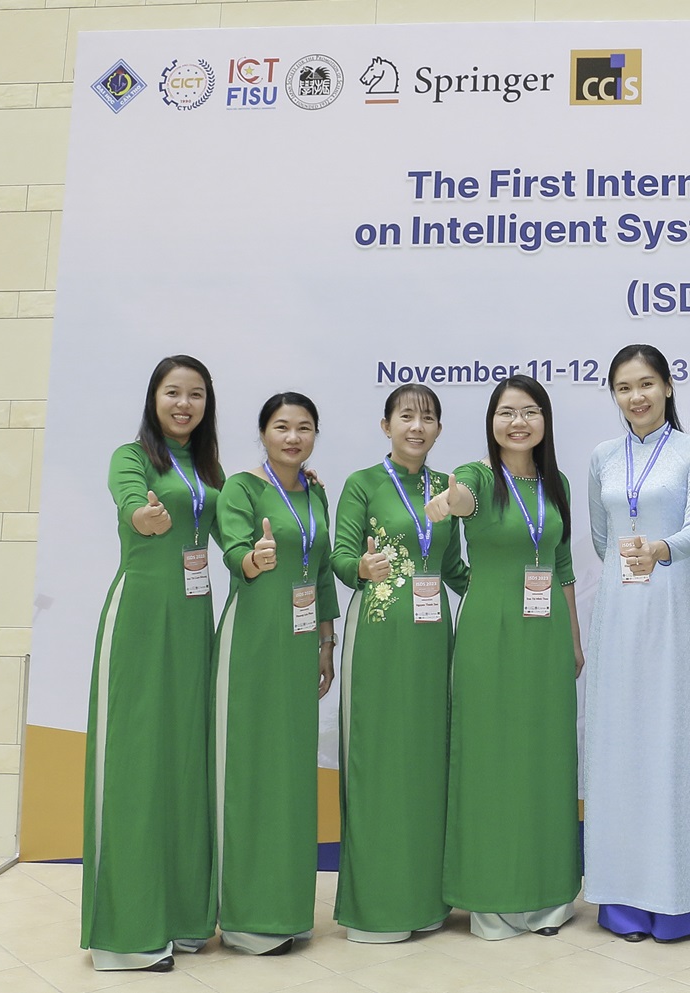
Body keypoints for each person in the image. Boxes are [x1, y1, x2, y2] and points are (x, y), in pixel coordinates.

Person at [425, 375, 585, 939]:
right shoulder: (475, 475)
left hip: (547, 634)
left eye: (530, 411)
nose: (519, 422)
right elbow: (461, 501)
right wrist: (451, 503)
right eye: (507, 412)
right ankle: (492, 899)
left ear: (545, 420)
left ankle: (547, 897)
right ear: (491, 422)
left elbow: (562, 566)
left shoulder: (557, 483)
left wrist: (574, 638)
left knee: (544, 757)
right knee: (490, 757)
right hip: (489, 631)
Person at [81, 356, 222, 972]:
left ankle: (185, 918)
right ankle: (128, 934)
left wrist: (295, 484)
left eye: (196, 394)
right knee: (137, 765)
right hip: (140, 618)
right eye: (173, 392)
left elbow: (237, 523)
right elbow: (129, 500)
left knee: (186, 766)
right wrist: (141, 515)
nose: (184, 404)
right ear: (154, 398)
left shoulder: (209, 469)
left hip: (193, 625)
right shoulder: (132, 457)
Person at [583, 344, 690, 943]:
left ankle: (675, 900)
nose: (635, 396)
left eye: (645, 384)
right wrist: (631, 563)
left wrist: (659, 549)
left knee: (671, 740)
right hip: (619, 609)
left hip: (672, 604)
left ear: (667, 386)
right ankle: (621, 900)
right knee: (618, 744)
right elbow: (599, 535)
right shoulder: (603, 457)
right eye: (623, 387)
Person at [331, 385, 469, 943]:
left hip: (434, 644)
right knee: (380, 762)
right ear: (385, 425)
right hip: (381, 636)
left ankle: (426, 900)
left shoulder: (447, 490)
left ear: (439, 429)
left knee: (428, 763)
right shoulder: (363, 483)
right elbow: (341, 556)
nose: (417, 426)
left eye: (428, 418)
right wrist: (361, 568)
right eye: (406, 416)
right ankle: (378, 907)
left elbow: (454, 568)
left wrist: (503, 587)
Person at [212, 393, 338, 956]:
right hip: (255, 640)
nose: (293, 437)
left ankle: (287, 910)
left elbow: (323, 570)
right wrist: (253, 558)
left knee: (291, 777)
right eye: (282, 427)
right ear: (263, 433)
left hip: (300, 643)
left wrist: (326, 642)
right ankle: (247, 918)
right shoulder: (243, 488)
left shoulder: (316, 491)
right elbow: (233, 550)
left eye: (304, 427)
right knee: (253, 772)